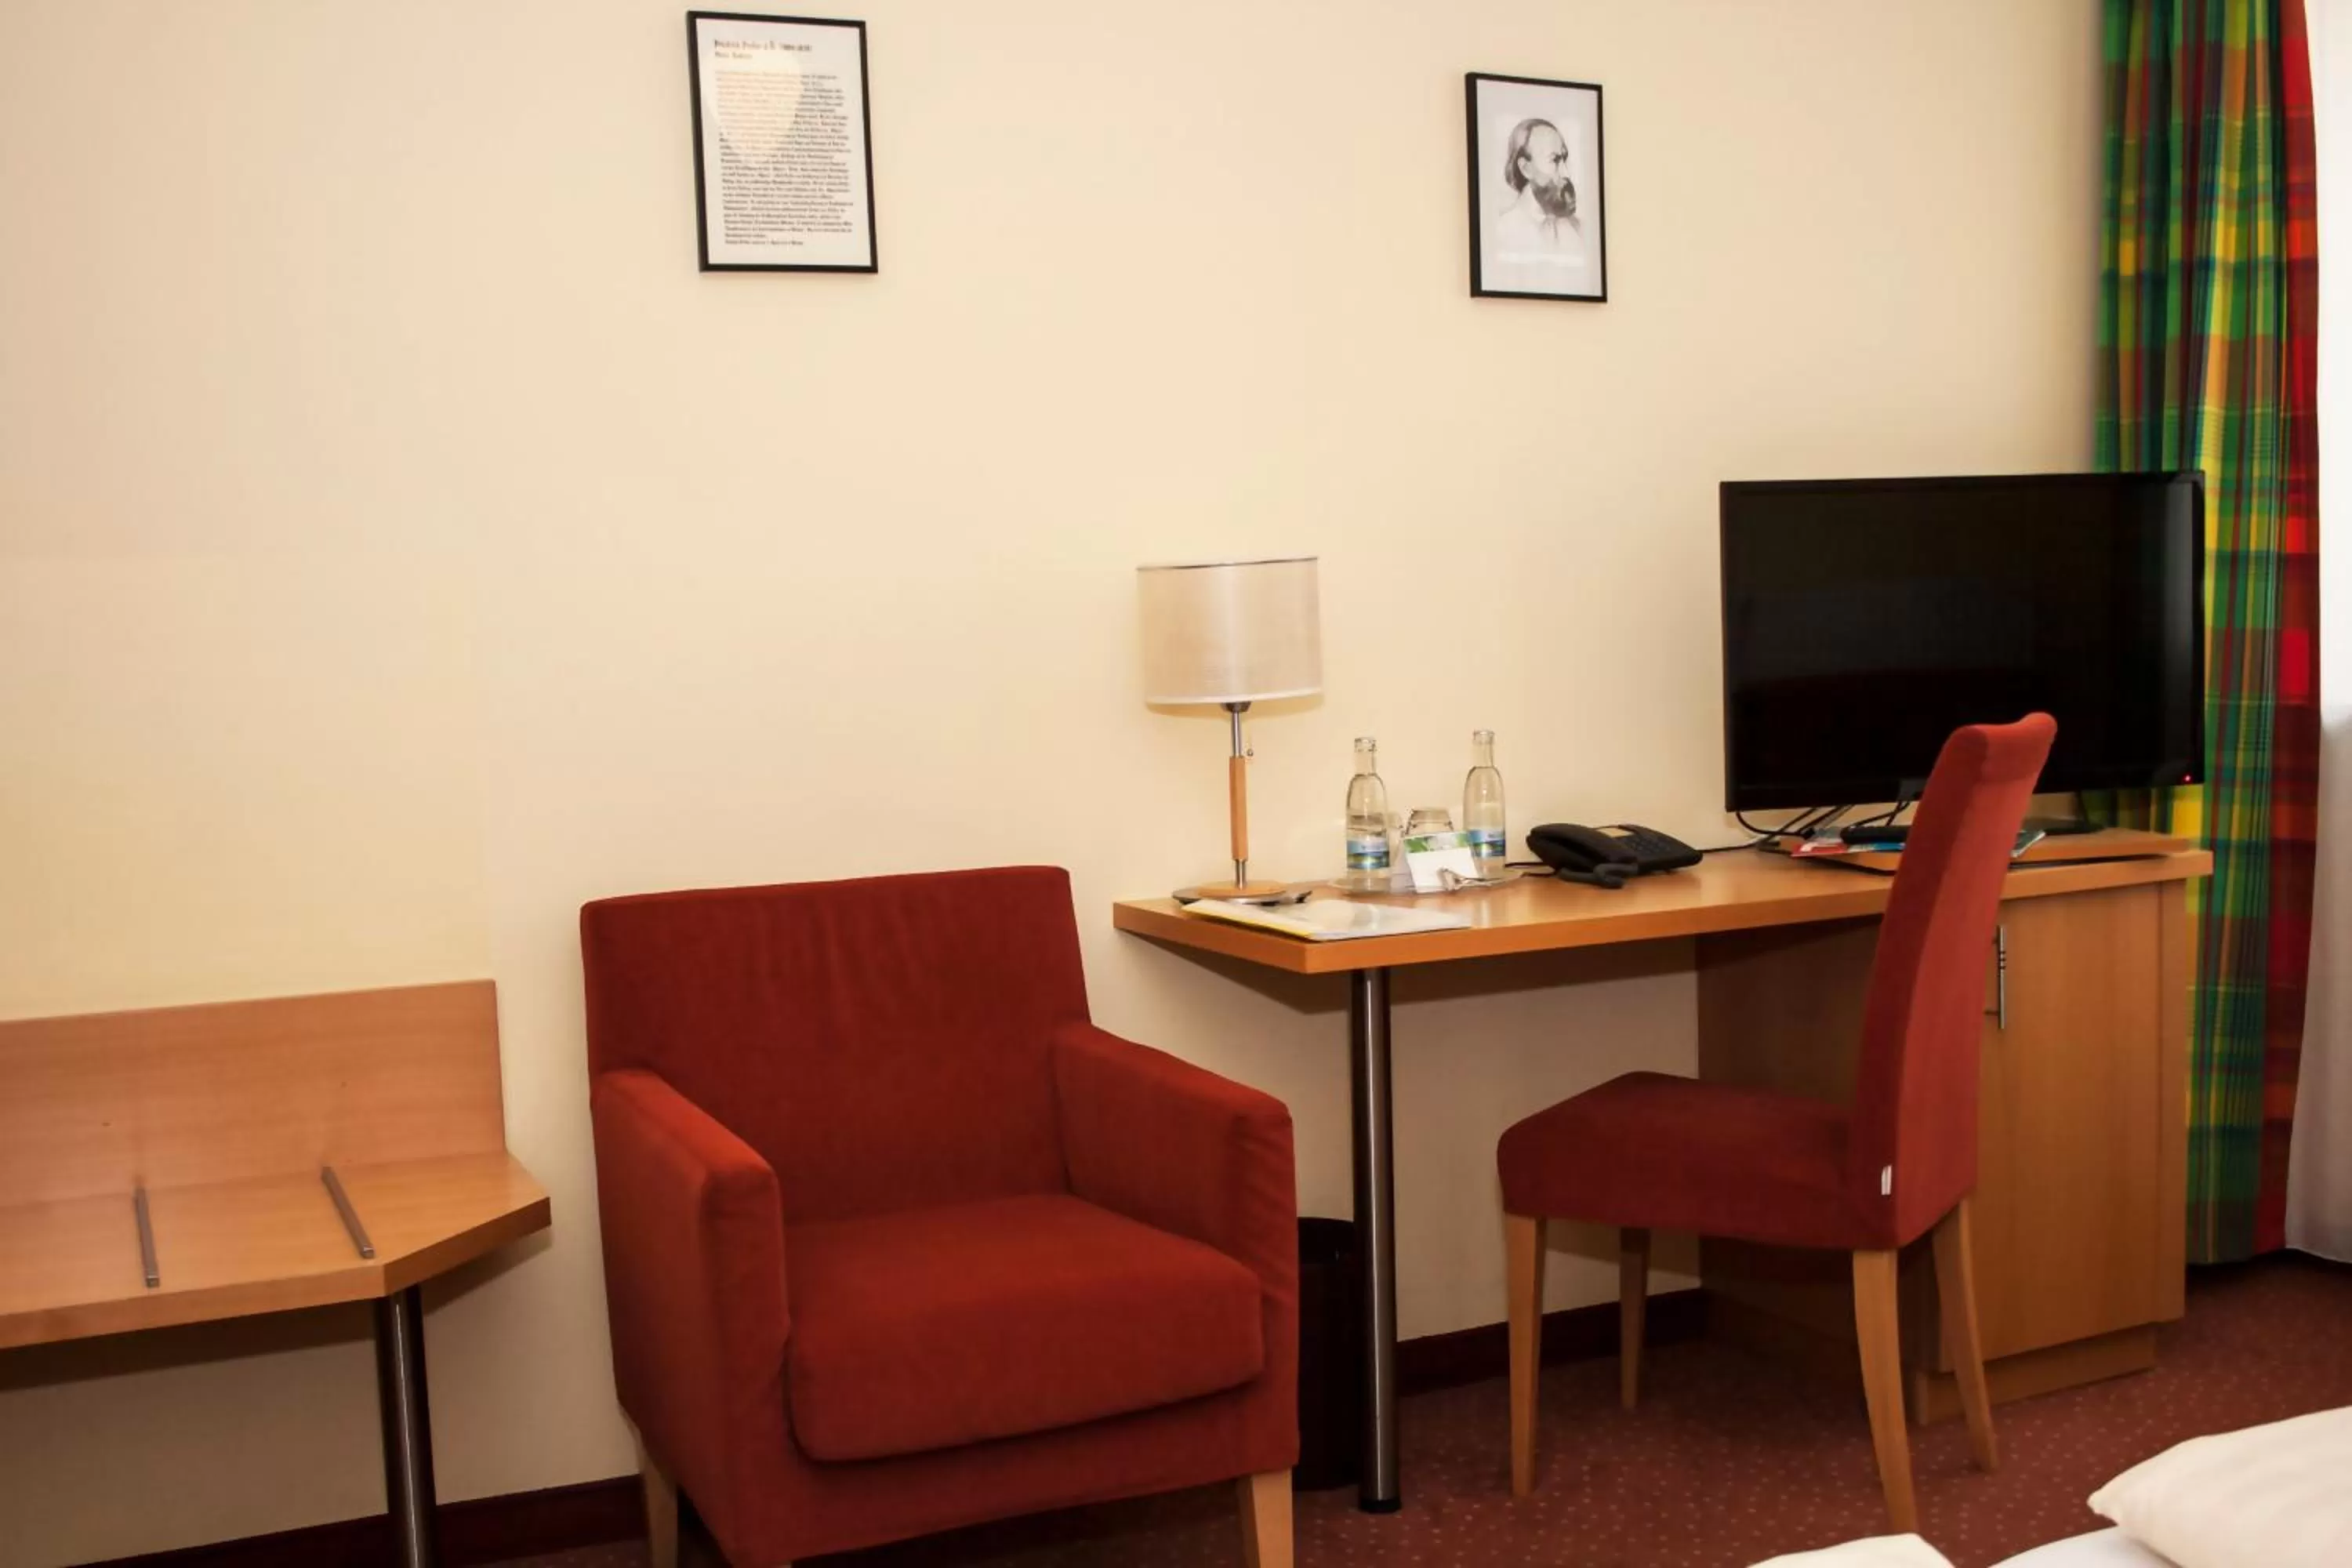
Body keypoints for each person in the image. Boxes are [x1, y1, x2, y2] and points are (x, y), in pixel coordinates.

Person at [1490, 118, 1585, 261]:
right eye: (1554, 160)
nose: (1566, 173)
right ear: (1526, 169)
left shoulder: (1577, 229)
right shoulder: (1503, 232)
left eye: (1564, 159)